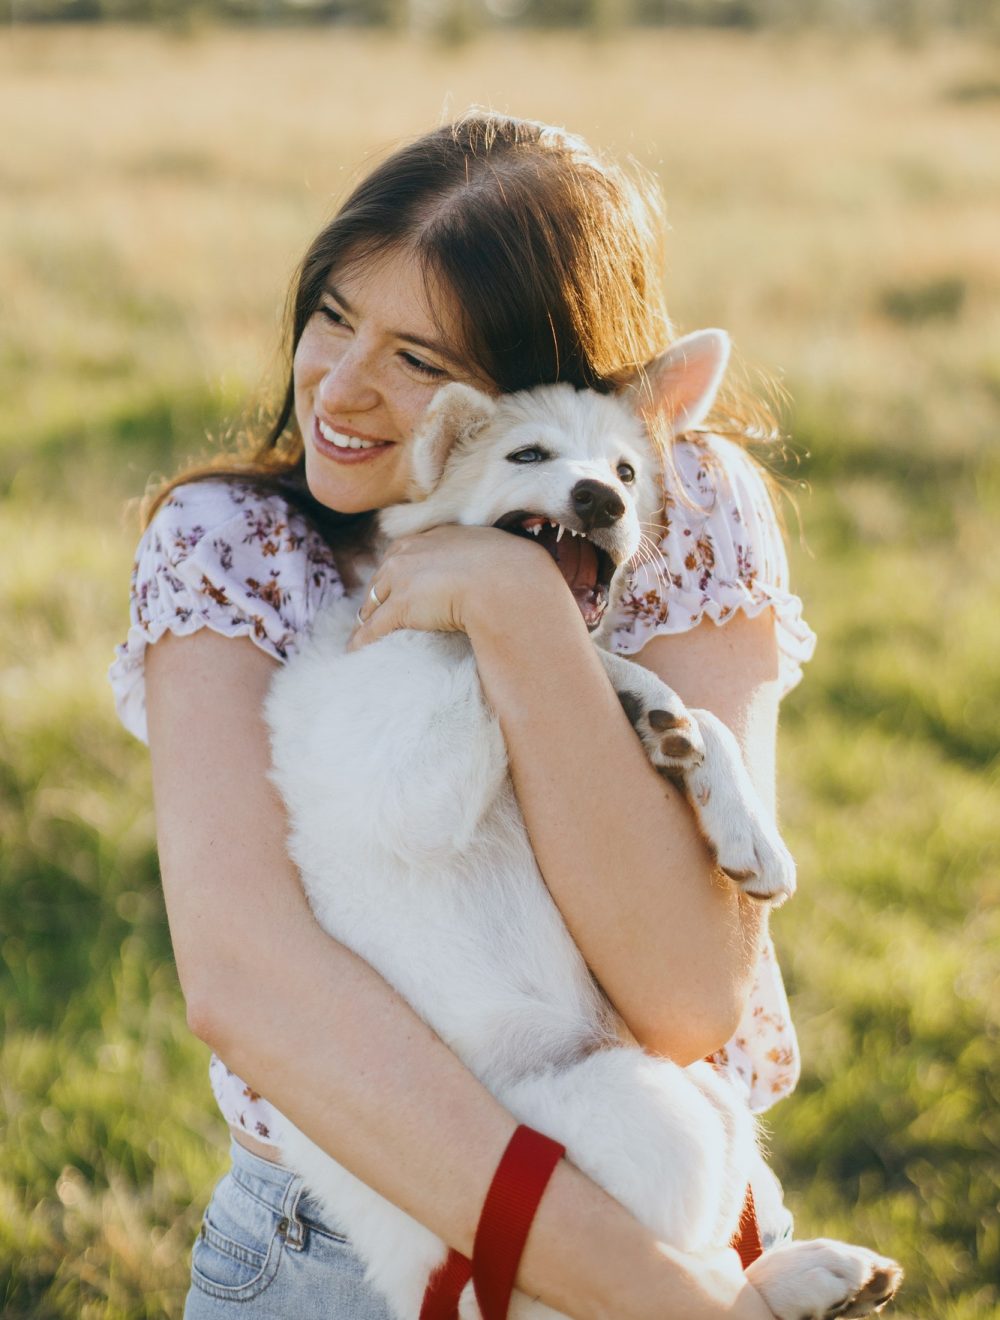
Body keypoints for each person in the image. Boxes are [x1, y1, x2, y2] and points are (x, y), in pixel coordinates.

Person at [109, 111, 816, 1320]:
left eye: (420, 361)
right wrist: (675, 1308)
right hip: (351, 1249)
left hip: (664, 1173)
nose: (340, 385)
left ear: (553, 386)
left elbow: (688, 995)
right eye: (333, 315)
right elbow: (252, 988)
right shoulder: (233, 548)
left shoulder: (681, 507)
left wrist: (514, 608)